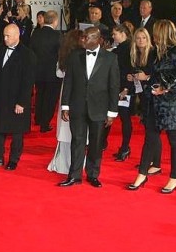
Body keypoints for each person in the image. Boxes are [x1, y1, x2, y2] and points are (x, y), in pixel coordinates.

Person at [127, 20, 176, 193]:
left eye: (156, 32)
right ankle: (142, 173)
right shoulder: (156, 52)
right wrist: (151, 83)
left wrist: (168, 89)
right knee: (150, 138)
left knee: (174, 141)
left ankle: (174, 177)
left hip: (171, 105)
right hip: (153, 102)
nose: (153, 35)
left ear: (163, 33)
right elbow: (155, 75)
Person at [58, 26, 119, 188]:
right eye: (83, 37)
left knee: (96, 143)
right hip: (77, 106)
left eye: (87, 37)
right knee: (77, 141)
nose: (83, 39)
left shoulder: (110, 58)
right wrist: (65, 106)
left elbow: (114, 86)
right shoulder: (74, 56)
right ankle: (74, 175)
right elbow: (68, 82)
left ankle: (93, 174)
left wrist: (112, 112)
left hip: (99, 108)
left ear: (98, 40)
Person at [0, 23, 36, 170]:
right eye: (4, 35)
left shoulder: (27, 54)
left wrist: (22, 102)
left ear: (17, 36)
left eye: (8, 36)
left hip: (16, 99)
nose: (5, 39)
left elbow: (28, 81)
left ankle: (13, 159)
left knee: (17, 131)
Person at [48, 29, 84, 174]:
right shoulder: (79, 56)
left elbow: (58, 73)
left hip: (66, 91)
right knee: (75, 128)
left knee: (65, 127)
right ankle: (73, 163)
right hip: (77, 91)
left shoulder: (64, 55)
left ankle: (64, 162)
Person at [30, 10, 62, 133]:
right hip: (52, 73)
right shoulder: (57, 35)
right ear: (55, 21)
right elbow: (61, 54)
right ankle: (44, 123)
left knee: (39, 95)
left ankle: (38, 118)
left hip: (37, 71)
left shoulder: (36, 33)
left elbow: (31, 52)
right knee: (50, 98)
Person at [109, 24, 134, 161]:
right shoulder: (121, 48)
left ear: (123, 33)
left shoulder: (129, 48)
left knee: (125, 118)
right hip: (119, 87)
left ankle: (125, 148)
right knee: (117, 116)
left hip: (125, 89)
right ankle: (122, 147)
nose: (113, 36)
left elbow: (130, 70)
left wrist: (126, 88)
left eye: (115, 34)